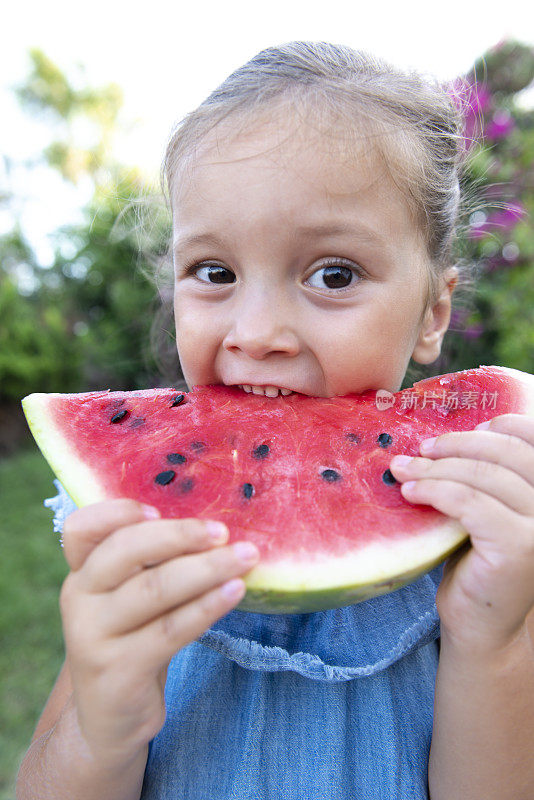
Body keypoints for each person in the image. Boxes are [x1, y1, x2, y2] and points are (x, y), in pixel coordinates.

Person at [16, 41, 534, 800]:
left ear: (434, 312)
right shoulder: (137, 536)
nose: (255, 332)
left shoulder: (483, 541)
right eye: (215, 273)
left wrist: (492, 641)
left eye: (333, 275)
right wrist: (100, 725)